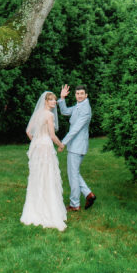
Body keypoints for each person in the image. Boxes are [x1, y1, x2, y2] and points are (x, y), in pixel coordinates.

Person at [20, 91, 67, 231]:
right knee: (47, 176)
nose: (54, 102)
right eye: (51, 100)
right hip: (46, 147)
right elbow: (52, 135)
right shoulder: (49, 115)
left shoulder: (37, 114)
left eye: (54, 100)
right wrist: (61, 145)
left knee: (37, 176)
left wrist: (36, 141)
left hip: (37, 147)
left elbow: (28, 131)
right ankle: (48, 210)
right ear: (46, 101)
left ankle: (35, 209)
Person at [58, 83, 96, 211]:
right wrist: (62, 98)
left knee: (73, 175)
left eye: (82, 94)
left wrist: (63, 143)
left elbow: (75, 129)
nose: (79, 96)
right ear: (75, 95)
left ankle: (75, 204)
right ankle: (88, 194)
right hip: (75, 145)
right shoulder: (78, 106)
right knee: (74, 173)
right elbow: (64, 111)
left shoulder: (85, 109)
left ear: (86, 95)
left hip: (77, 146)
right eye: (77, 94)